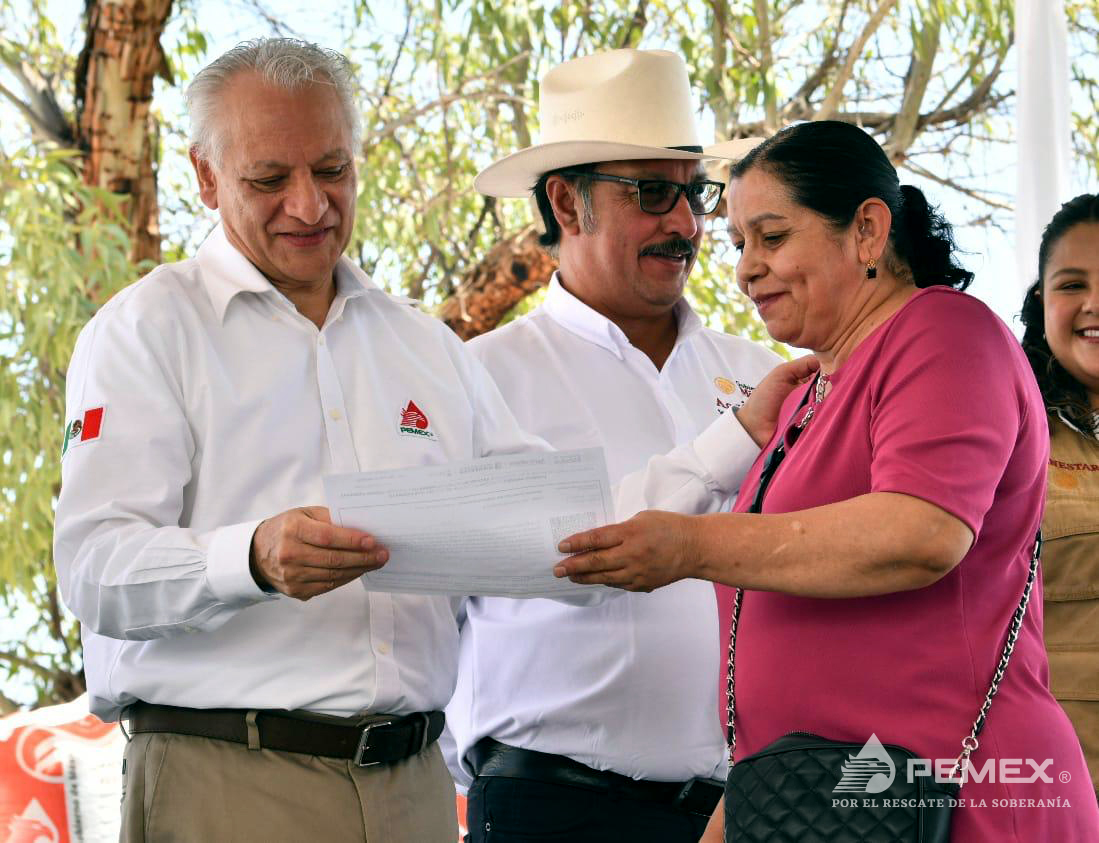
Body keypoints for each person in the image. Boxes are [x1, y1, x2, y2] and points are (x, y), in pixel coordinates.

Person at [52, 38, 804, 843]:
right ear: (205, 176)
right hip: (229, 775)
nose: (308, 205)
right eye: (269, 179)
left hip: (410, 789)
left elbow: (567, 535)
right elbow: (93, 568)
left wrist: (732, 440)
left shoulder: (423, 347)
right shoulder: (147, 330)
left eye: (332, 170)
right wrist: (251, 557)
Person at [554, 120, 1099, 840]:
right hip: (822, 800)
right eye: (739, 244)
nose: (746, 270)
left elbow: (919, 533)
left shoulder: (944, 332)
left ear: (867, 230)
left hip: (952, 800)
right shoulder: (806, 394)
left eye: (772, 237)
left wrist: (688, 546)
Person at [445, 49, 778, 843]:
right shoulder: (480, 378)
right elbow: (519, 570)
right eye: (652, 192)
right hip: (552, 808)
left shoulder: (759, 372)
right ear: (567, 201)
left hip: (743, 807)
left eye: (694, 192)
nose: (686, 224)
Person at [1021, 193, 1099, 803]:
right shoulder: (1003, 431)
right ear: (1042, 302)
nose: (1095, 304)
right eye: (1073, 284)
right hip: (1057, 786)